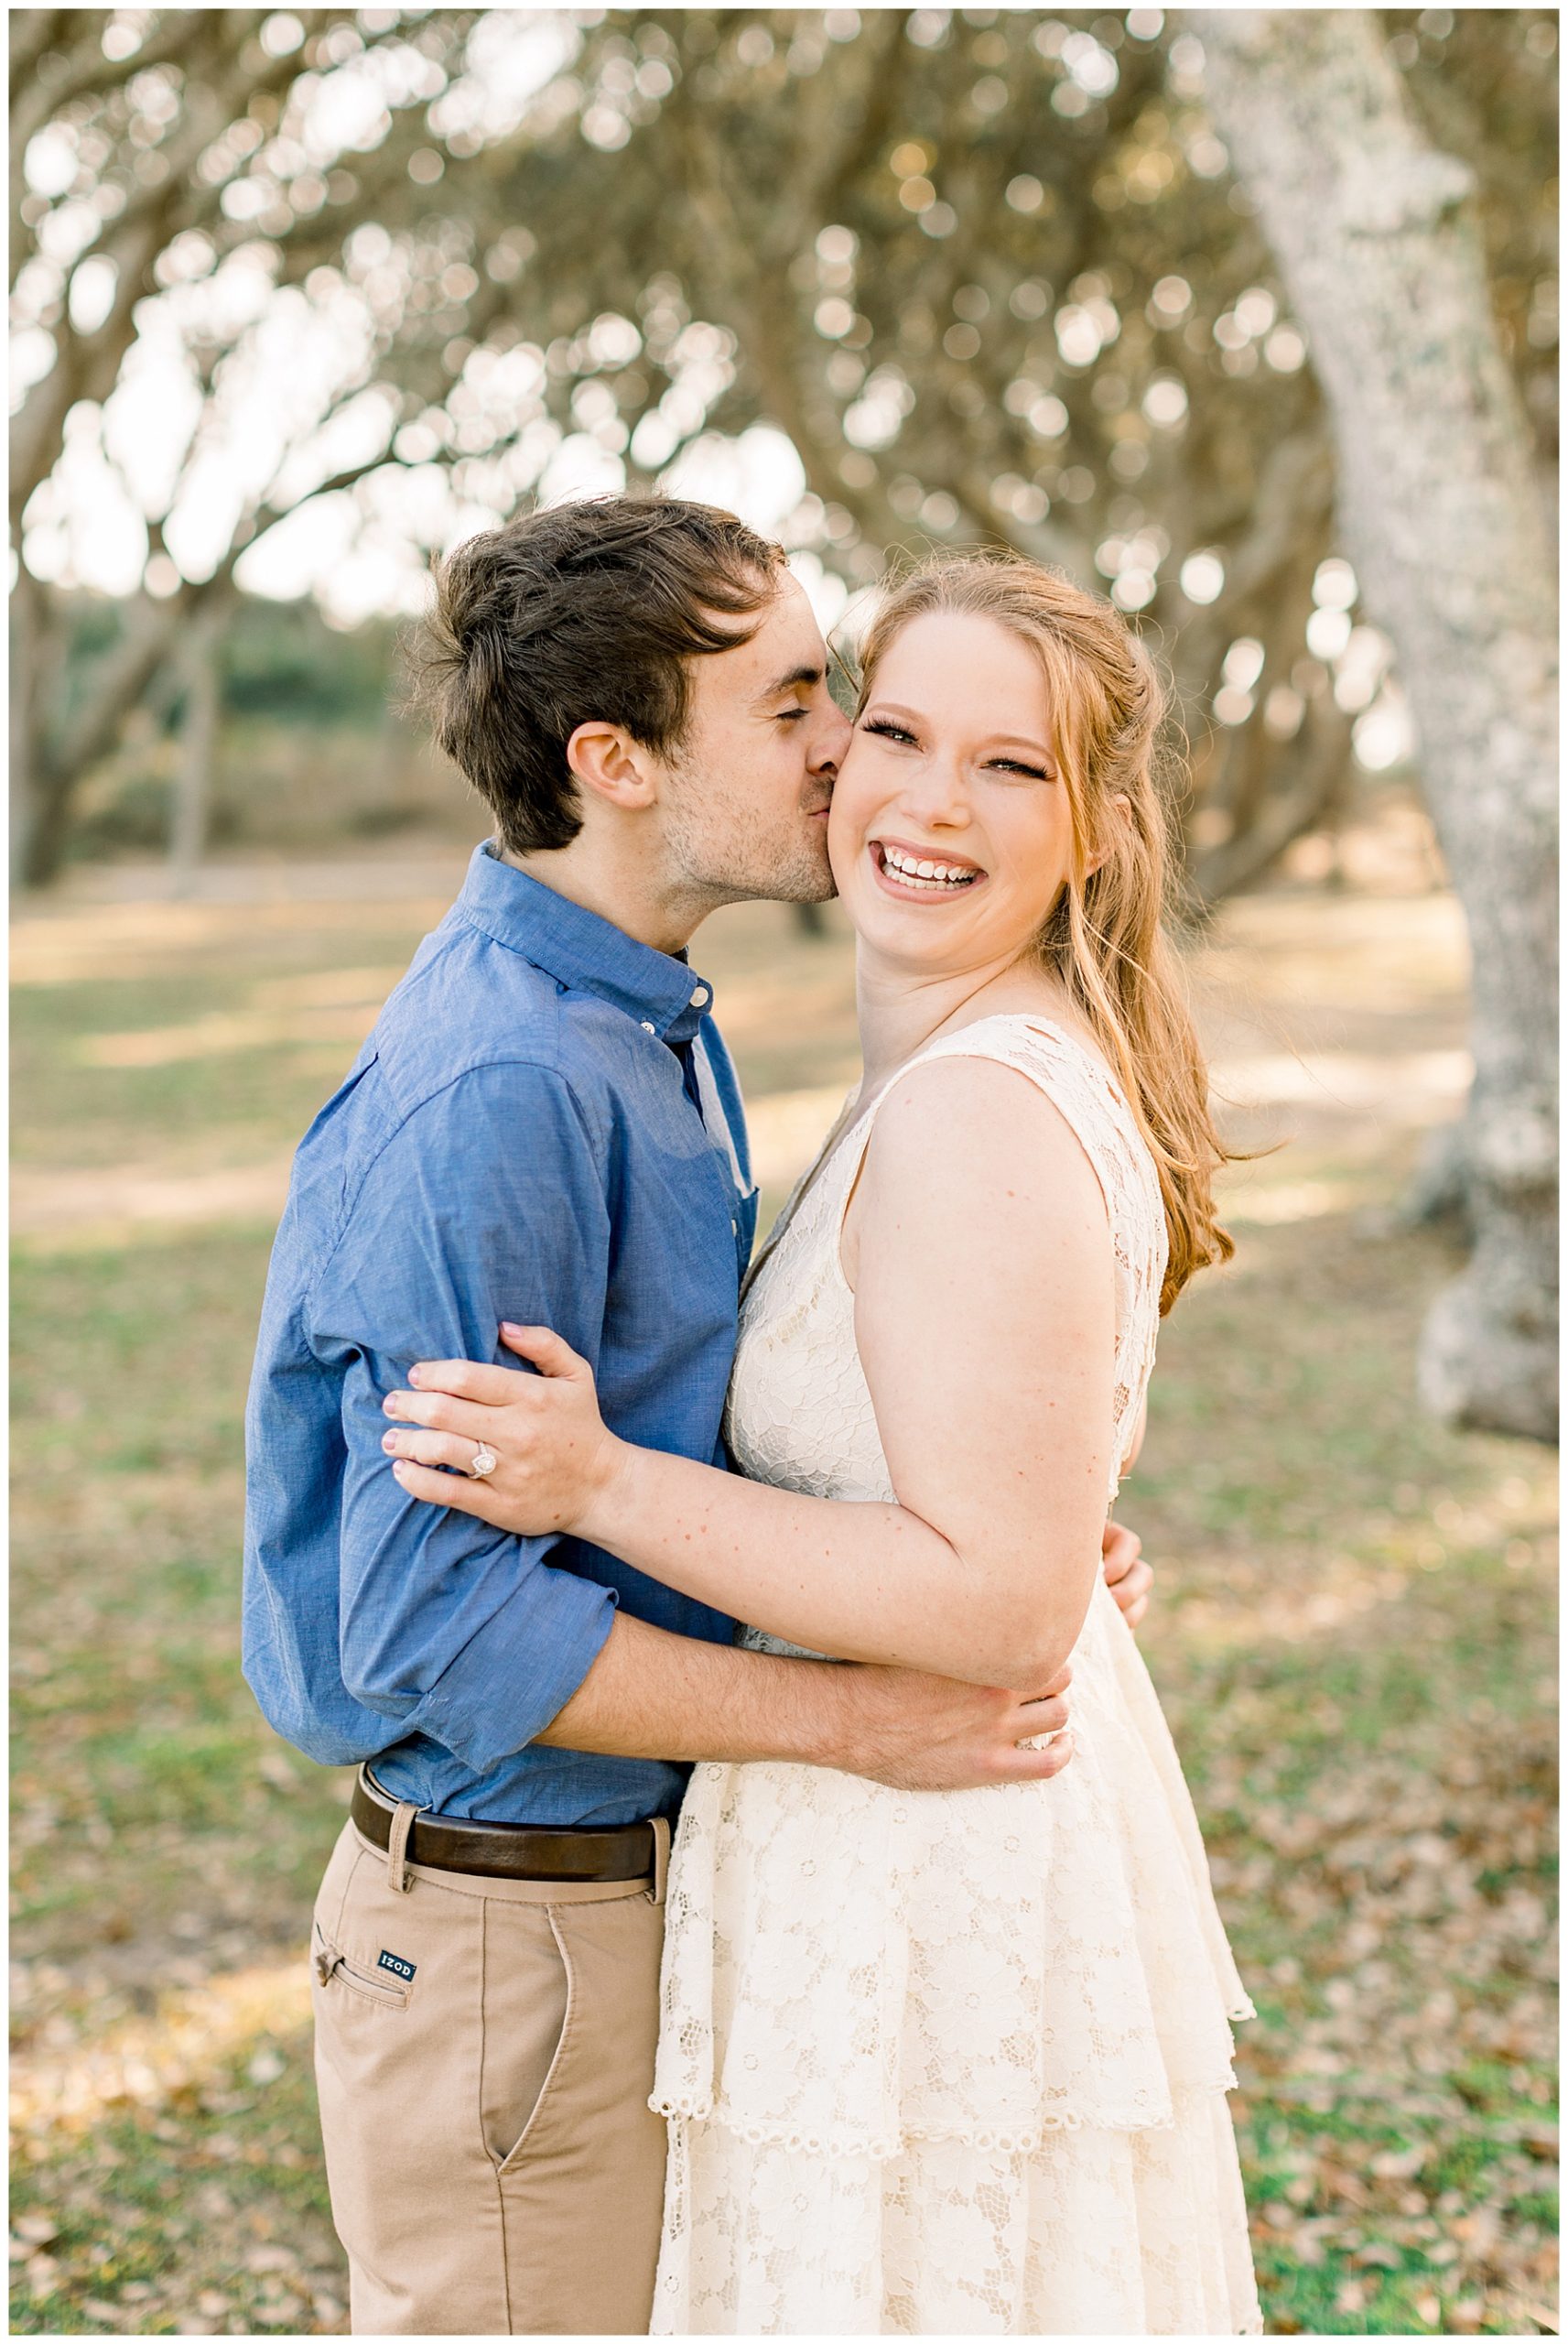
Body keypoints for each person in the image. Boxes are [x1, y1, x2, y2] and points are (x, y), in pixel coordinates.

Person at [242, 499, 1154, 2338]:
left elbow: (677, 1440)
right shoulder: (501, 1084)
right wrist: (853, 1710)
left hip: (639, 1910)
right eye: (797, 699)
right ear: (618, 761)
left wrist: (954, 1518)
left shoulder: (645, 1019)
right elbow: (437, 1616)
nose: (844, 745)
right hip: (519, 1937)